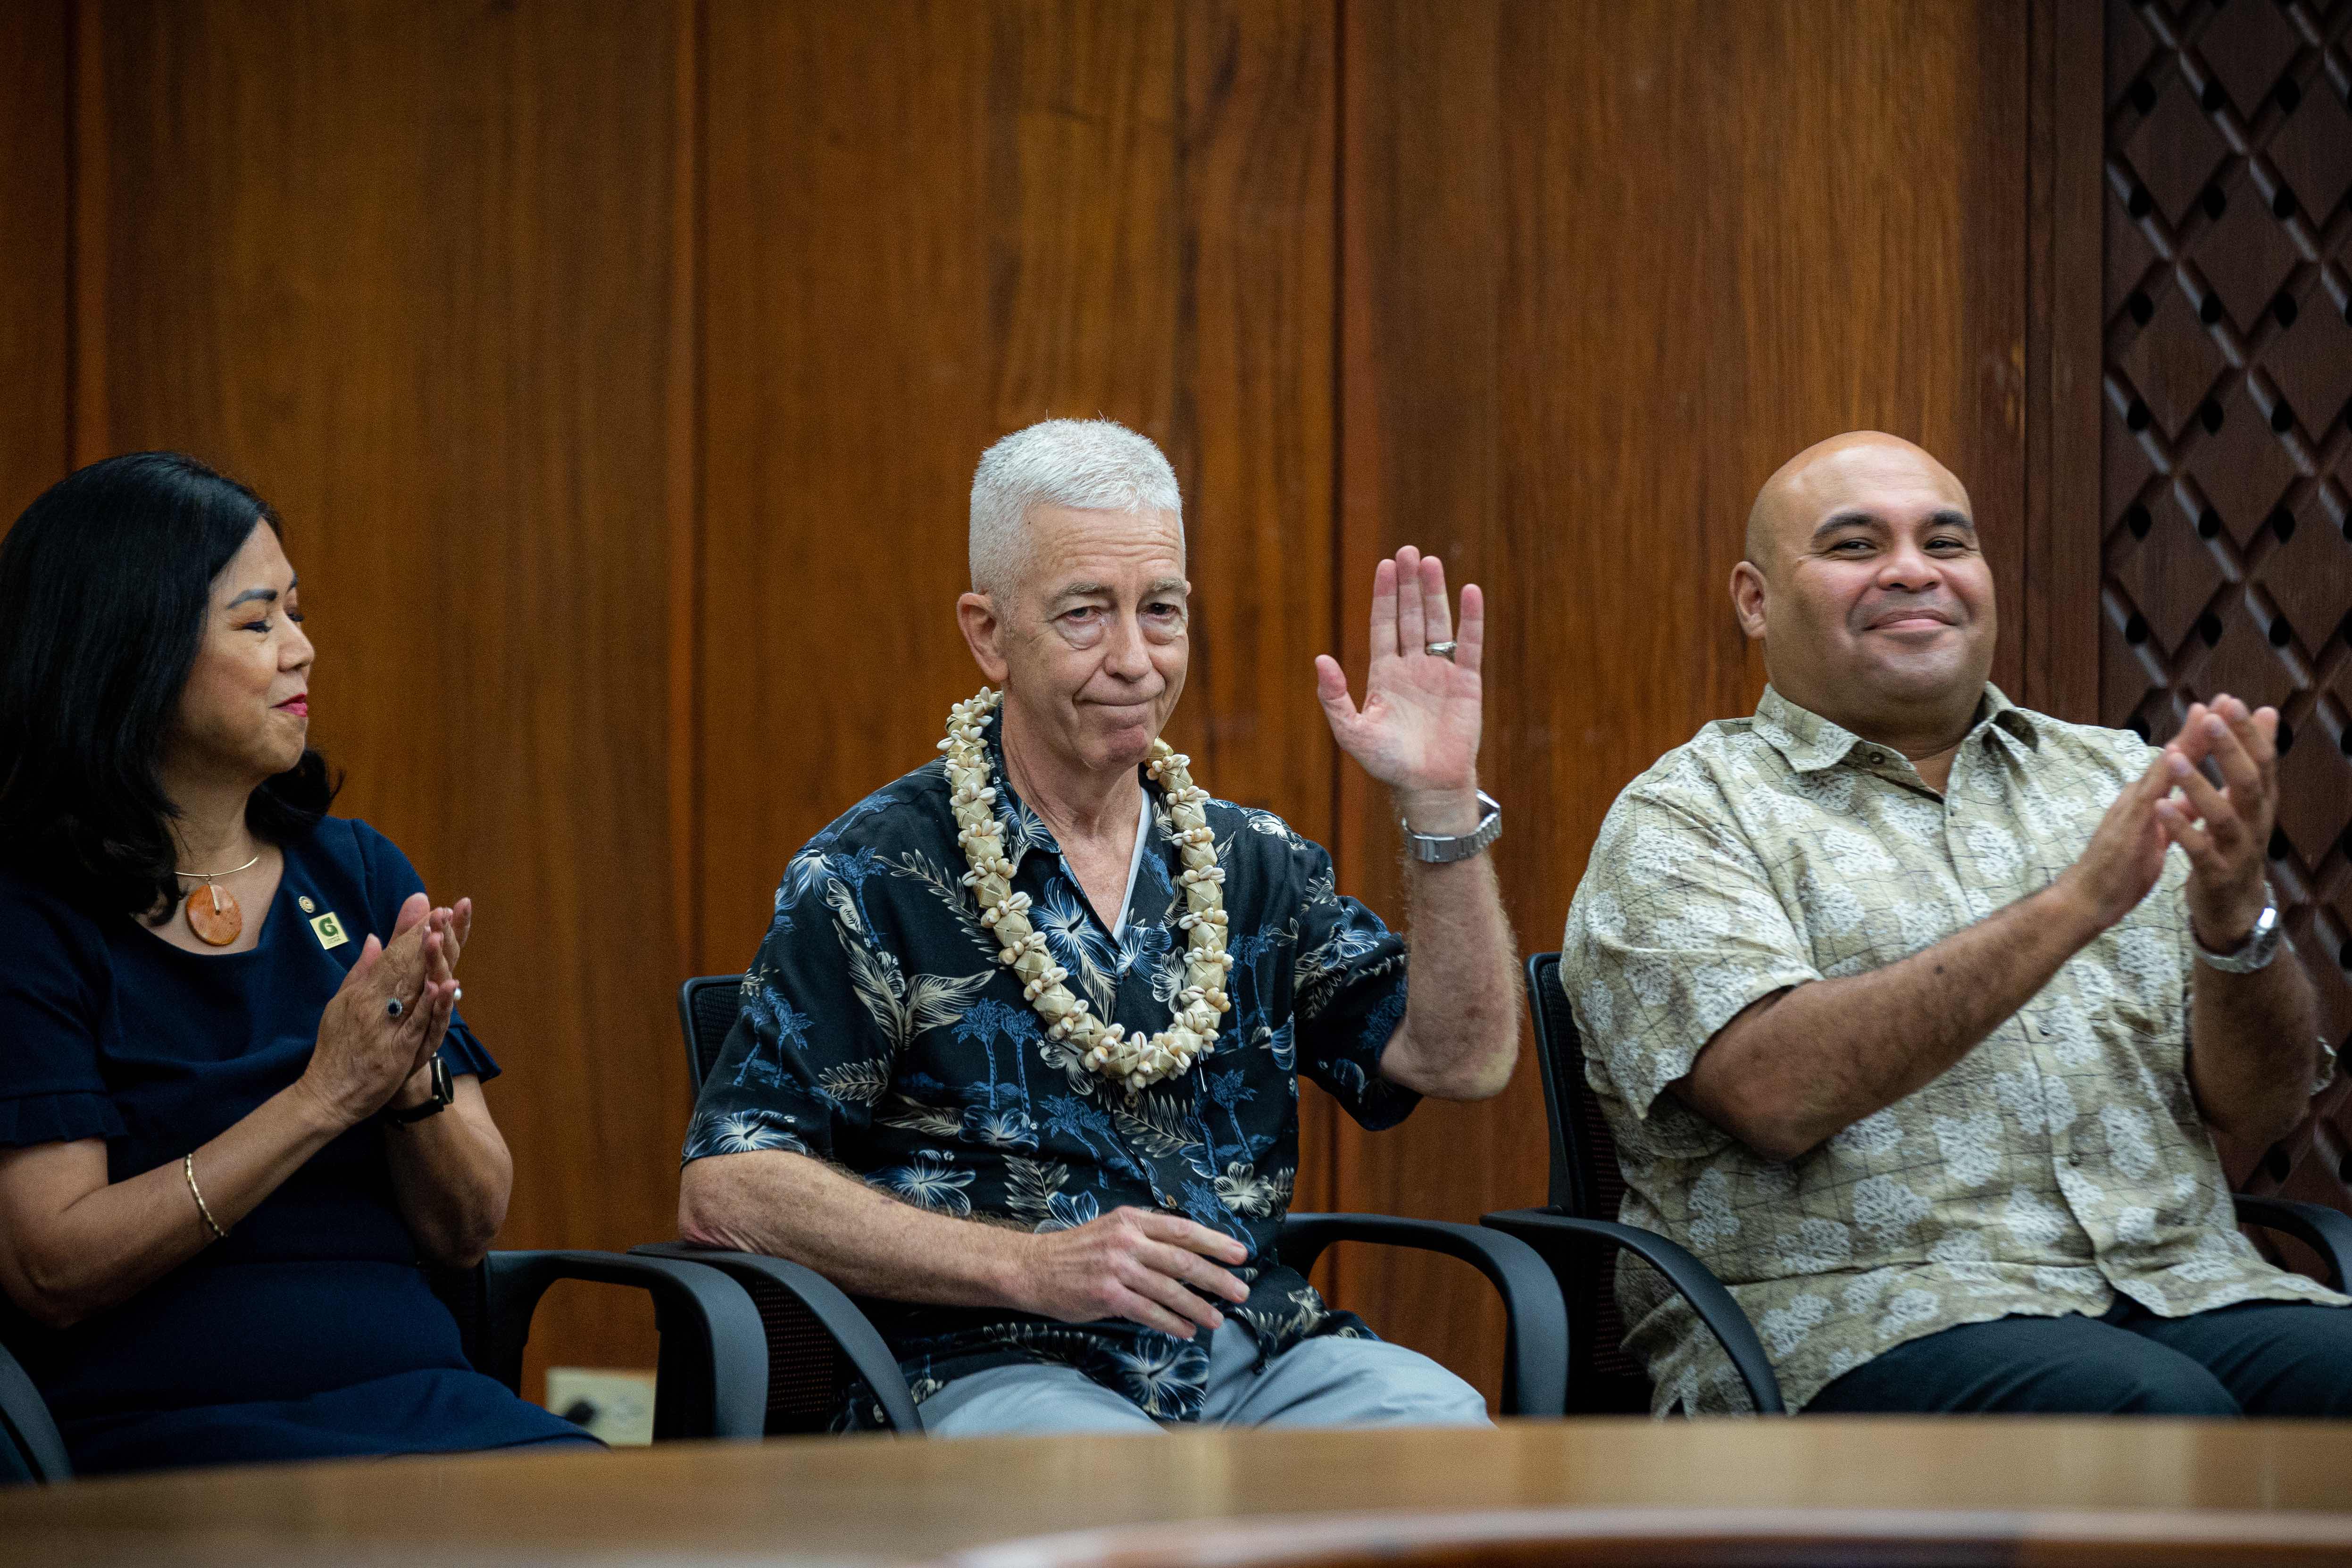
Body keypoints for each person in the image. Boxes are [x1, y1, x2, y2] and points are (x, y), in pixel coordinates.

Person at [679, 418, 1519, 1434]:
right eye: (1085, 614)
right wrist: (1032, 1264)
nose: (1135, 660)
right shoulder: (873, 874)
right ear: (988, 634)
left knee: (1448, 1444)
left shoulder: (1251, 862)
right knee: (1124, 1502)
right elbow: (729, 1186)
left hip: (1252, 1356)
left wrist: (1440, 803)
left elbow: (1463, 1058)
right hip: (994, 1368)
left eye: (1160, 611)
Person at [1563, 431, 2349, 1417]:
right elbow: (1775, 1092)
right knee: (2151, 1416)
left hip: (2186, 1282)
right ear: (1755, 601)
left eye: (1946, 543)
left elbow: (2261, 1107)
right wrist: (2073, 909)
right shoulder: (1690, 814)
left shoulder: (2114, 778)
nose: (1911, 571)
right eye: (1855, 546)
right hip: (1858, 1322)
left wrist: (2238, 929)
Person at [0, 453, 595, 1473]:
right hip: (172, 1440)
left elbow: (467, 1230)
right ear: (129, 653)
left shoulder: (356, 872)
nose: (303, 651)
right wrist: (321, 1099)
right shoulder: (34, 917)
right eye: (258, 621)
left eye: (297, 614)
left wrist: (409, 1079)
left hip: (430, 1406)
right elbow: (51, 1265)